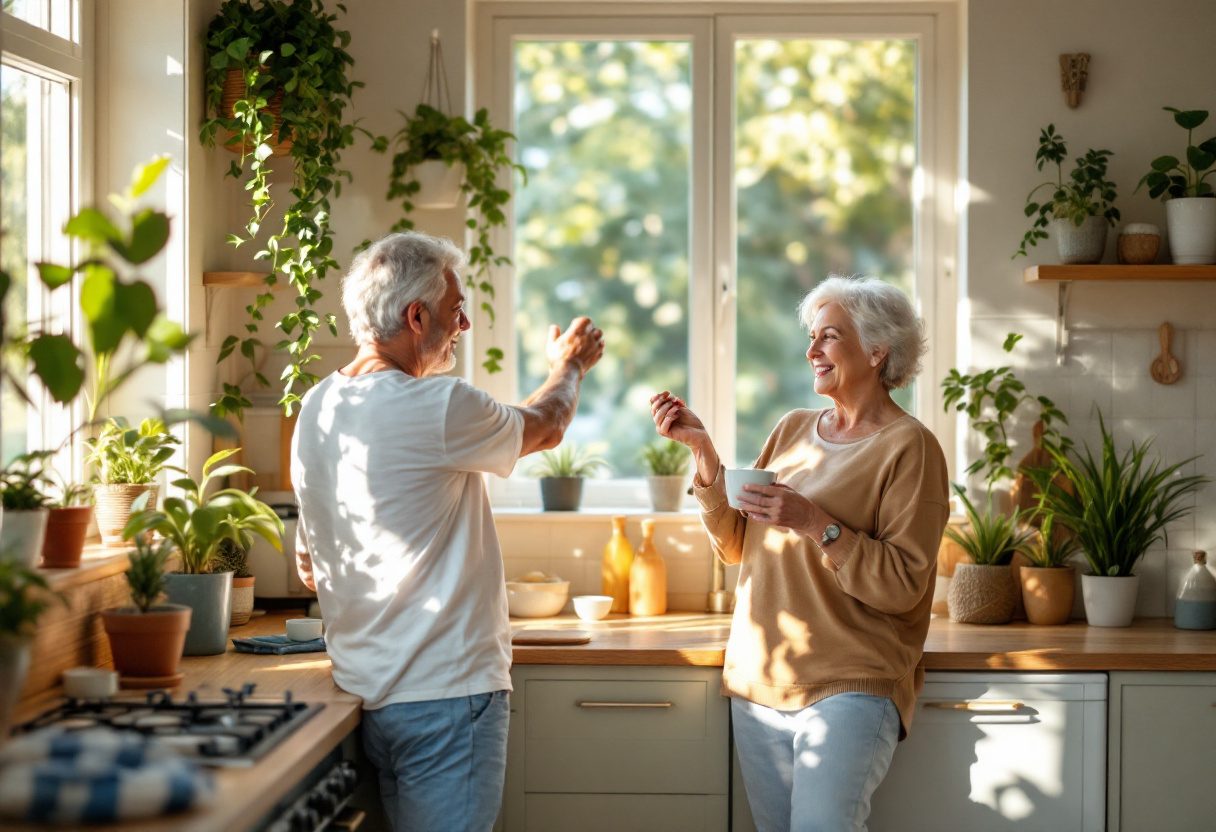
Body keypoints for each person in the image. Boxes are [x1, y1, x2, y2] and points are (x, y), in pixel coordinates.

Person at [291, 231, 603, 832]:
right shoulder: (438, 405)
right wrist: (570, 365)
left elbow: (311, 564)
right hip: (447, 698)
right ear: (416, 316)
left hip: (363, 696)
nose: (462, 325)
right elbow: (545, 426)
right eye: (457, 309)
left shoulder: (317, 407)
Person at [650, 275, 948, 832]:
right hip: (761, 677)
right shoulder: (791, 430)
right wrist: (703, 452)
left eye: (828, 337)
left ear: (878, 350)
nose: (811, 350)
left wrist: (815, 522)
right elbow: (738, 545)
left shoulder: (910, 446)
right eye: (811, 337)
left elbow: (906, 582)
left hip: (851, 683)